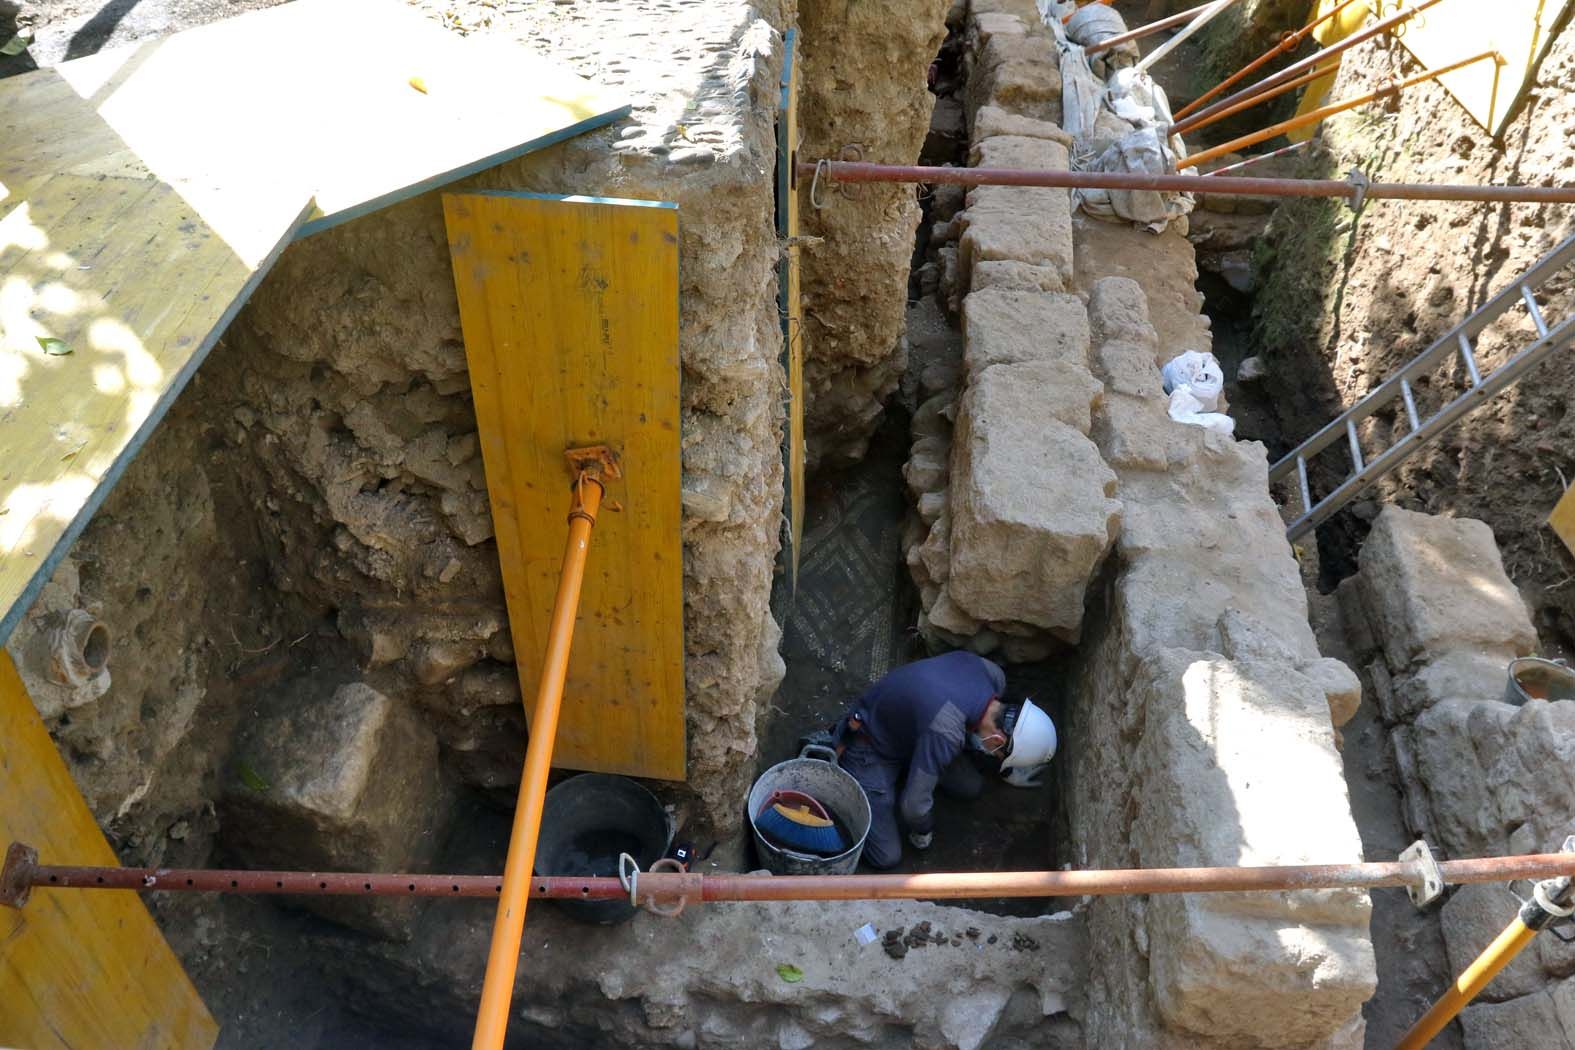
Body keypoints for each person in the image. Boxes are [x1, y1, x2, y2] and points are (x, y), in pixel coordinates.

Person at [832, 651, 1057, 869]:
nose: (995, 756)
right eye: (999, 754)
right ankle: (848, 787)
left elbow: (955, 724)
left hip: (913, 724)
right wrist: (922, 831)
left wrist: (1008, 768)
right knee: (886, 855)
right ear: (997, 739)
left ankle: (917, 765)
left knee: (970, 786)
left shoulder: (993, 675)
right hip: (869, 746)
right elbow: (914, 808)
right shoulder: (945, 733)